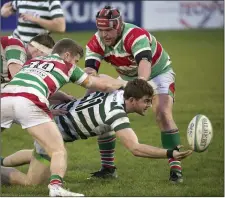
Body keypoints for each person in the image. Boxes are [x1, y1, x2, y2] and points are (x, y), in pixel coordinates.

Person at [1, 78, 192, 188]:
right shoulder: (116, 114)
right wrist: (170, 153)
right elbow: (136, 148)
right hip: (50, 131)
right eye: (146, 101)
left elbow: (98, 79)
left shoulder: (117, 90)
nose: (149, 105)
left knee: (105, 130)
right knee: (32, 182)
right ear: (132, 100)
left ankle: (2, 161)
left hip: (52, 118)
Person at [1, 38, 126, 197]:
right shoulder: (67, 67)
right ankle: (56, 187)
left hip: (4, 97)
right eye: (75, 60)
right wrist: (121, 84)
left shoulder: (33, 60)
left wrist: (62, 97)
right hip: (29, 102)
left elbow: (33, 83)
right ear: (67, 55)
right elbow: (101, 85)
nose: (75, 64)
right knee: (58, 150)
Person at [84, 5, 184, 183]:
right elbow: (90, 74)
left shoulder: (135, 35)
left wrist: (140, 86)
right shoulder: (95, 42)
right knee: (102, 111)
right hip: (127, 76)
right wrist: (88, 99)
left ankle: (176, 168)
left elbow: (144, 64)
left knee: (162, 112)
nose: (104, 34)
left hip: (157, 73)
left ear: (119, 25)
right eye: (100, 30)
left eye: (109, 30)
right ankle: (108, 168)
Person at [1, 0, 65, 43]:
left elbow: (60, 27)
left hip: (38, 47)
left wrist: (35, 19)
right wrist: (4, 11)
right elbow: (6, 9)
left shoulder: (51, 2)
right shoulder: (21, 1)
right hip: (18, 44)